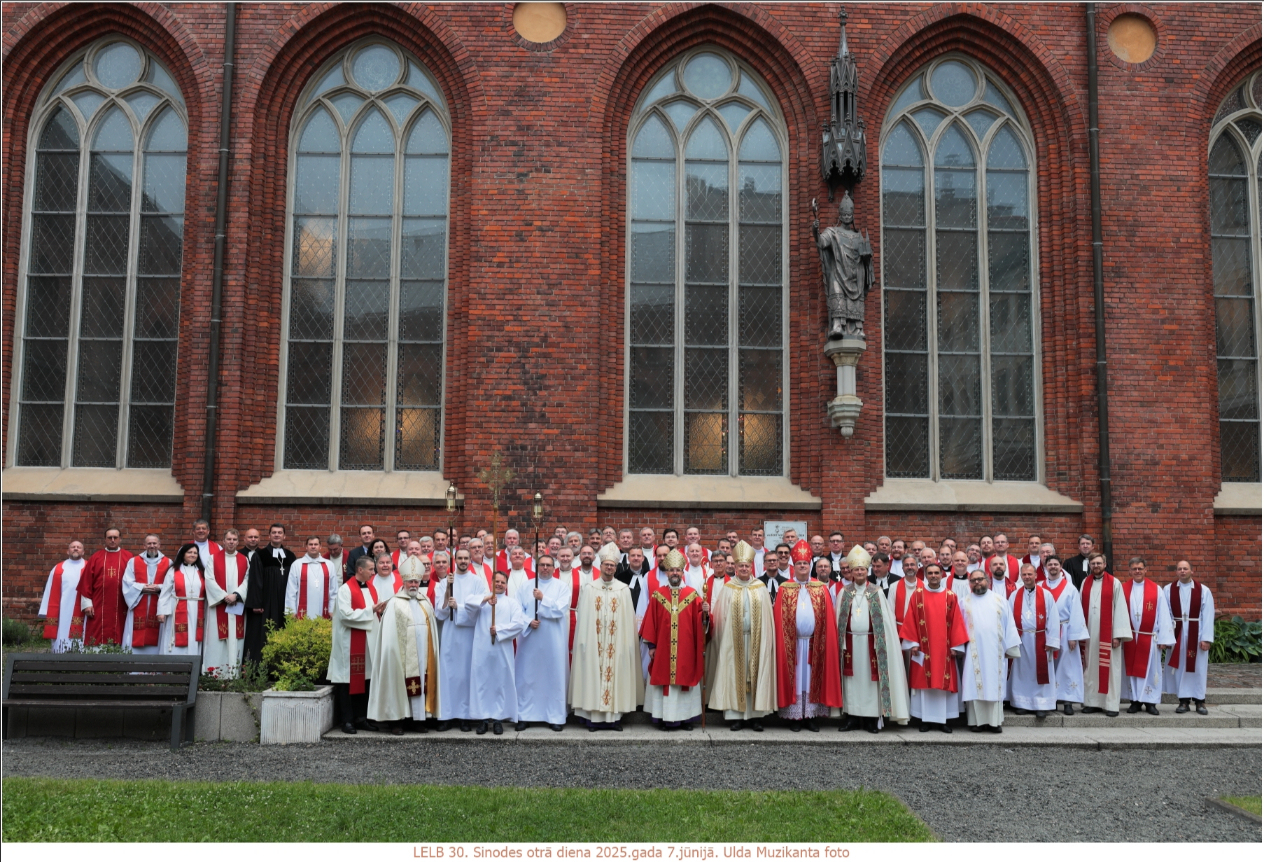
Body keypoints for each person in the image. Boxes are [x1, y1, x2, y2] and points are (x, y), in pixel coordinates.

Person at [836, 546, 909, 733]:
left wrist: (881, 644)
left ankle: (870, 719)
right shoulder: (844, 593)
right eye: (856, 569)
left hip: (872, 645)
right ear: (851, 571)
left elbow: (886, 623)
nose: (859, 572)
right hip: (850, 645)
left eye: (862, 569)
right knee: (850, 681)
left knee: (871, 682)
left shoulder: (877, 592)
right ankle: (852, 718)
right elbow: (838, 621)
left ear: (867, 571)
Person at [570, 543, 643, 730]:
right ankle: (593, 720)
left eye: (612, 565)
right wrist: (584, 642)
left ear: (616, 567)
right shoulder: (590, 588)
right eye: (606, 565)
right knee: (592, 675)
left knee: (616, 676)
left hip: (615, 644)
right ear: (600, 566)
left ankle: (614, 720)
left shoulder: (623, 589)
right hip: (594, 643)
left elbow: (628, 621)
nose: (609, 567)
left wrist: (627, 644)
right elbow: (584, 619)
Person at [773, 540, 842, 731]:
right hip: (792, 644)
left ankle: (810, 717)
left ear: (810, 565)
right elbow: (779, 620)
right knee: (796, 679)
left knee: (811, 679)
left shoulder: (820, 588)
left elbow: (828, 619)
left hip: (814, 642)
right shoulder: (784, 588)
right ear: (793, 566)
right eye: (799, 563)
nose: (802, 566)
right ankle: (795, 717)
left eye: (805, 563)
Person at [708, 541, 776, 731]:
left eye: (747, 565)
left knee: (756, 674)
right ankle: (736, 716)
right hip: (733, 640)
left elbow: (767, 618)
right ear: (736, 567)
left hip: (756, 639)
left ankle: (756, 717)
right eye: (740, 566)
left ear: (751, 566)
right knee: (733, 675)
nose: (744, 568)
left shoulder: (760, 587)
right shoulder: (729, 588)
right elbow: (720, 616)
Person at [368, 564, 439, 735]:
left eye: (416, 581)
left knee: (420, 682)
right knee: (397, 683)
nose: (413, 585)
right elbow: (389, 633)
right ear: (404, 582)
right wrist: (391, 652)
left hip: (422, 653)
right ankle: (396, 721)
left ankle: (417, 719)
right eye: (410, 581)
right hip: (400, 653)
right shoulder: (394, 603)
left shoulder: (425, 601)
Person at [641, 549, 707, 731]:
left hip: (686, 649)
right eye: (671, 570)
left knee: (684, 680)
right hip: (663, 649)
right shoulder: (658, 595)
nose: (675, 573)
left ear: (683, 572)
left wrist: (705, 614)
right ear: (667, 573)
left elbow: (702, 623)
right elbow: (651, 622)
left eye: (678, 570)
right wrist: (652, 646)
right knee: (664, 681)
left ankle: (686, 719)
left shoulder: (693, 595)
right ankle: (665, 718)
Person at [899, 563, 968, 733]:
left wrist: (956, 645)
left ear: (942, 575)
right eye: (930, 573)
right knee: (925, 683)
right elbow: (910, 619)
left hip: (945, 650)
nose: (933, 576)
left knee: (943, 682)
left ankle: (944, 720)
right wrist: (913, 643)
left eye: (936, 573)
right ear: (925, 575)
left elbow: (957, 621)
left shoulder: (950, 596)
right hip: (923, 648)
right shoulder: (917, 595)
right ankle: (925, 720)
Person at [959, 567, 1023, 733]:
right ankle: (976, 722)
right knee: (974, 685)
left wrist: (1011, 647)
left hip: (996, 651)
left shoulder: (999, 600)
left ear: (987, 581)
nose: (977, 582)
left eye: (980, 579)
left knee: (994, 684)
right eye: (974, 580)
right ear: (970, 583)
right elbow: (958, 628)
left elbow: (1009, 625)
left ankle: (994, 722)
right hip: (973, 652)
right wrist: (958, 648)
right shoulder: (964, 602)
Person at [466, 571, 527, 735]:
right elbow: (468, 605)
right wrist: (486, 599)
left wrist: (499, 629)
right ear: (491, 582)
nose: (499, 584)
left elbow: (518, 624)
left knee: (500, 683)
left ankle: (498, 719)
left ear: (506, 585)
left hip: (502, 649)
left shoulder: (512, 603)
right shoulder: (483, 600)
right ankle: (483, 719)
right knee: (483, 683)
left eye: (502, 582)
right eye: (497, 581)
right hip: (482, 648)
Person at [515, 554, 569, 731]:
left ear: (554, 568)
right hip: (530, 638)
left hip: (553, 639)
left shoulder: (562, 587)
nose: (545, 568)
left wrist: (543, 598)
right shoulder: (526, 586)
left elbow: (560, 609)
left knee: (553, 675)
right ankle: (524, 715)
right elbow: (517, 610)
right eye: (542, 565)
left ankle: (554, 716)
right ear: (537, 567)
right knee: (527, 675)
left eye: (548, 565)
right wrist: (528, 621)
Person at [330, 556, 382, 735]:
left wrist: (380, 610)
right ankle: (347, 720)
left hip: (368, 642)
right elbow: (345, 615)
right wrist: (371, 610)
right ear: (360, 570)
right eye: (371, 569)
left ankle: (361, 718)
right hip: (349, 642)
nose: (373, 572)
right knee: (347, 681)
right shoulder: (345, 590)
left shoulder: (372, 588)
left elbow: (375, 613)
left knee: (366, 679)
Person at [1080, 552, 1132, 717]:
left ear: (1104, 564)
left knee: (1110, 669)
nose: (1096, 566)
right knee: (1090, 667)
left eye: (1098, 563)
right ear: (1090, 565)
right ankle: (1091, 702)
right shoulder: (1085, 582)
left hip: (1108, 635)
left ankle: (1110, 704)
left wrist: (1117, 635)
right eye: (1093, 563)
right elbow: (1079, 608)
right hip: (1089, 633)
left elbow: (1121, 609)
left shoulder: (1114, 583)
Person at [433, 549, 480, 731]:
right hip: (450, 633)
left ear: (470, 560)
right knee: (448, 673)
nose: (463, 561)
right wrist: (447, 591)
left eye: (466, 558)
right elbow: (440, 612)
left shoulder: (477, 582)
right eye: (459, 558)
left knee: (465, 674)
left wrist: (458, 607)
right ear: (455, 560)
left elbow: (479, 608)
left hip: (468, 634)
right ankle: (446, 715)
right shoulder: (444, 582)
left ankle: (464, 717)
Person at [1007, 563, 1060, 719]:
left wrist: (1051, 641)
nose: (1027, 577)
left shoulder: (1046, 595)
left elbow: (1053, 619)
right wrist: (1011, 640)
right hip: (1021, 639)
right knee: (1022, 672)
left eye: (1030, 574)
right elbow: (1009, 619)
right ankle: (1022, 703)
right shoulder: (1014, 595)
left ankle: (1041, 704)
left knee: (1041, 673)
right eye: (1024, 575)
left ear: (1036, 575)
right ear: (1021, 576)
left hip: (1041, 639)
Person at [1122, 557, 1175, 716]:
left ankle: (1151, 702)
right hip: (1130, 638)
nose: (1137, 571)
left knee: (1152, 670)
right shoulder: (1123, 589)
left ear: (1146, 570)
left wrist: (1164, 638)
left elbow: (1163, 614)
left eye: (1140, 568)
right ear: (1129, 571)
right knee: (1132, 671)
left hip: (1150, 638)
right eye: (1134, 569)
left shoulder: (1156, 590)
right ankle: (1135, 701)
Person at [1164, 560, 1215, 715]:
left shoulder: (1203, 590)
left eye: (1185, 568)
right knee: (1179, 667)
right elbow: (1165, 614)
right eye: (1179, 569)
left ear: (1192, 571)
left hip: (1197, 634)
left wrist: (1206, 638)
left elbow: (1208, 615)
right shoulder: (1168, 589)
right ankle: (1183, 701)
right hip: (1177, 633)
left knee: (1198, 668)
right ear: (1176, 572)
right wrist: (1166, 637)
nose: (1182, 571)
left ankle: (1200, 701)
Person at [1041, 555, 1089, 715]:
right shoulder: (1040, 586)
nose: (1053, 567)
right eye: (1050, 564)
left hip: (1065, 629)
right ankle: (1051, 700)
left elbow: (1076, 612)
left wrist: (1073, 636)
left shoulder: (1070, 588)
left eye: (1056, 564)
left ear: (1060, 566)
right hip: (1047, 632)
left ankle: (1068, 701)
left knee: (1067, 666)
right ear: (1045, 567)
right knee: (1049, 666)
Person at [243, 523, 295, 663]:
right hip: (266, 602)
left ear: (284, 536)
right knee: (264, 632)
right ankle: (261, 666)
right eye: (274, 532)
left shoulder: (290, 556)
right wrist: (256, 603)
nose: (277, 535)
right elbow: (255, 580)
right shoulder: (260, 555)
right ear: (269, 535)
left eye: (279, 532)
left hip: (285, 601)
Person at [77, 528, 134, 647]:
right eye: (109, 538)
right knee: (96, 632)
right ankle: (96, 653)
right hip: (98, 603)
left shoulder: (129, 557)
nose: (112, 540)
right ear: (105, 539)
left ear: (120, 539)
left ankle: (121, 652)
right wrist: (87, 604)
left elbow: (135, 580)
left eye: (115, 537)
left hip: (122, 603)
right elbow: (86, 582)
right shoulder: (96, 557)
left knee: (122, 629)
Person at [204, 530, 250, 676]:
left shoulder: (244, 559)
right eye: (228, 539)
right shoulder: (213, 558)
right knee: (216, 641)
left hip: (236, 605)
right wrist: (224, 596)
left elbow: (247, 580)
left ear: (238, 542)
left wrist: (236, 595)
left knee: (236, 639)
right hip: (219, 605)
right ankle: (215, 675)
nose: (231, 542)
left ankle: (233, 674)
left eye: (234, 539)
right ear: (223, 541)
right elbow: (209, 579)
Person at [122, 534, 169, 654]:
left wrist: (159, 587)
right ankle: (133, 663)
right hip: (138, 601)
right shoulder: (133, 561)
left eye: (154, 543)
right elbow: (127, 582)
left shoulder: (168, 562)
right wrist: (142, 587)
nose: (152, 546)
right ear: (144, 545)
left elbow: (171, 584)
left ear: (159, 545)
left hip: (158, 604)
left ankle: (155, 664)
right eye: (149, 543)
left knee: (158, 633)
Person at [38, 541, 87, 653]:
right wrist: (46, 610)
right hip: (62, 610)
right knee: (62, 632)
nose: (76, 548)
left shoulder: (89, 567)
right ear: (67, 551)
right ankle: (59, 654)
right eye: (73, 547)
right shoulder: (58, 568)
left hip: (83, 609)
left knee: (82, 634)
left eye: (78, 547)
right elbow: (49, 589)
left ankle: (81, 655)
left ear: (83, 552)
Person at [158, 544, 205, 656]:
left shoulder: (202, 571)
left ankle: (192, 661)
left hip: (197, 610)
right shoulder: (173, 570)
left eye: (195, 553)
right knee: (176, 636)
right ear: (183, 554)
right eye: (189, 552)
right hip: (177, 608)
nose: (192, 555)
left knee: (193, 636)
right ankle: (173, 663)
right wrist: (161, 612)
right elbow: (165, 592)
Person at [284, 536, 337, 620]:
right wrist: (291, 611)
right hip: (302, 612)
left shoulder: (329, 565)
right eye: (310, 544)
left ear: (320, 546)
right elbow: (291, 590)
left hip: (324, 610)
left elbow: (334, 590)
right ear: (306, 547)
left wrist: (332, 609)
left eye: (316, 544)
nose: (313, 546)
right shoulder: (297, 564)